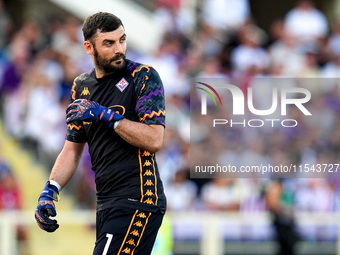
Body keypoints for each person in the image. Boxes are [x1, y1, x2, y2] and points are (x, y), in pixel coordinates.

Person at [34, 12, 167, 255]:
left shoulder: (143, 76)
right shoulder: (81, 86)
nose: (119, 49)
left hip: (138, 198)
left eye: (122, 40)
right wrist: (50, 189)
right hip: (105, 202)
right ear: (89, 47)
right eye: (109, 43)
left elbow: (154, 139)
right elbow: (72, 149)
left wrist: (107, 116)